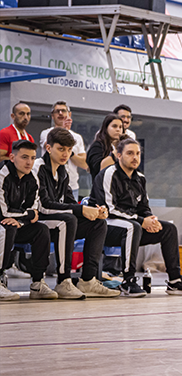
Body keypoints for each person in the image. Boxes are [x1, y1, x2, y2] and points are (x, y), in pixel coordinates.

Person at [90, 138, 182, 297]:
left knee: (168, 229)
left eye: (137, 153)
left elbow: (143, 207)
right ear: (119, 155)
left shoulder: (140, 178)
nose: (135, 157)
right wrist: (141, 221)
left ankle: (175, 281)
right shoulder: (109, 173)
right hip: (105, 226)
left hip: (132, 226)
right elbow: (110, 208)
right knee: (133, 227)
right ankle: (128, 281)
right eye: (129, 153)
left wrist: (151, 220)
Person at [32, 128, 119, 299]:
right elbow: (43, 206)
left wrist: (93, 211)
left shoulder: (63, 172)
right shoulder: (38, 168)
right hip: (37, 221)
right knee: (68, 220)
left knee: (97, 224)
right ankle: (64, 280)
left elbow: (71, 203)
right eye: (61, 149)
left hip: (57, 221)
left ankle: (88, 280)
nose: (66, 154)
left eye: (69, 150)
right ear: (48, 148)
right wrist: (81, 210)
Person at [0, 140, 55, 300]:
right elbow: (3, 212)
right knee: (6, 228)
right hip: (3, 224)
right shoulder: (2, 175)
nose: (29, 162)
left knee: (41, 229)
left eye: (32, 157)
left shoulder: (33, 179)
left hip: (16, 224)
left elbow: (34, 211)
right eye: (24, 157)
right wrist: (27, 216)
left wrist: (22, 220)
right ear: (12, 157)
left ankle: (38, 283)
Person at [39, 101, 88, 201]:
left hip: (72, 185)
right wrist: (64, 131)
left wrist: (70, 152)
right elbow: (49, 145)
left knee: (72, 212)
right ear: (52, 116)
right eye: (57, 111)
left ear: (69, 114)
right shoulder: (46, 133)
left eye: (63, 111)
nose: (60, 113)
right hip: (50, 183)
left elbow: (83, 163)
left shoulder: (77, 137)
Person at [86, 114, 125, 184]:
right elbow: (97, 169)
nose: (118, 129)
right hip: (101, 189)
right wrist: (114, 155)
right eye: (114, 126)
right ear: (106, 128)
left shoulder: (124, 146)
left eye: (120, 127)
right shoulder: (97, 146)